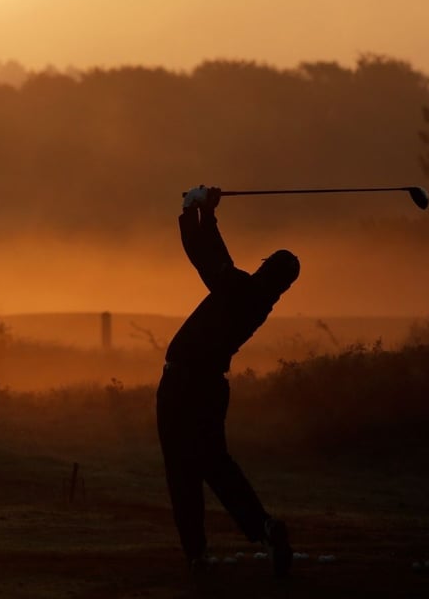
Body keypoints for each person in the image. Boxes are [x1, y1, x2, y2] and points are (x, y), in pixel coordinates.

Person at [158, 185, 299, 577]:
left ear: (265, 267)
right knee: (216, 464)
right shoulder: (257, 301)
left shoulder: (239, 289)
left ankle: (197, 554)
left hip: (182, 385)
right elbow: (215, 257)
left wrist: (192, 208)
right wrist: (208, 212)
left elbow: (202, 255)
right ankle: (264, 528)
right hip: (212, 388)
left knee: (181, 468)